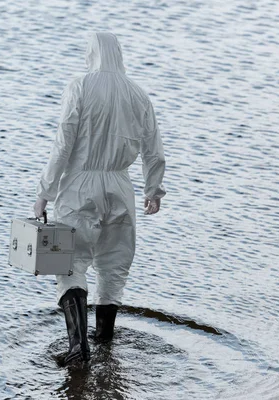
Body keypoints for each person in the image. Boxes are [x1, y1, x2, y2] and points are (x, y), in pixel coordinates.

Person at [34, 32, 166, 365]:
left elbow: (63, 145)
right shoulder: (138, 94)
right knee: (113, 268)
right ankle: (104, 345)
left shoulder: (79, 86)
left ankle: (78, 348)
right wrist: (153, 189)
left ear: (91, 54)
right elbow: (154, 149)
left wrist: (44, 192)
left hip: (80, 186)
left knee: (69, 265)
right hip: (121, 188)